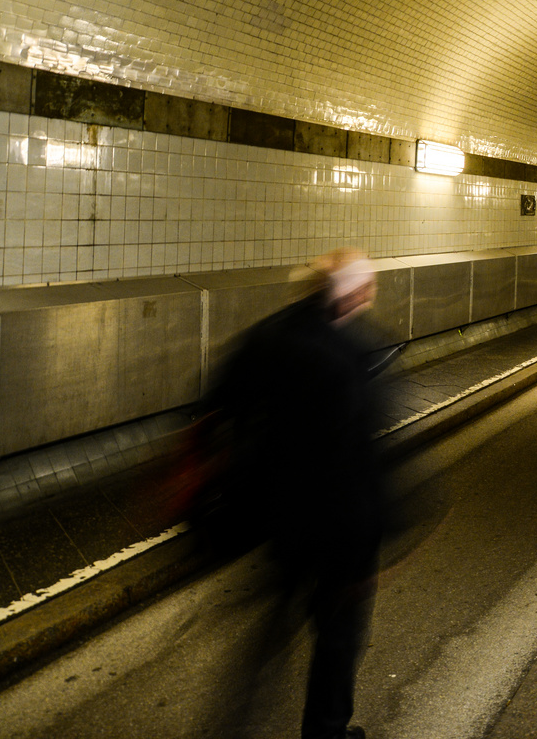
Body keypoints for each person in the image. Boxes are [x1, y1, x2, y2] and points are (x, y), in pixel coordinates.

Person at [195, 248, 390, 739]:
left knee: (273, 628)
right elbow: (360, 458)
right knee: (338, 639)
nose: (368, 298)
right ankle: (325, 732)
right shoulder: (351, 356)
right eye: (365, 289)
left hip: (276, 516)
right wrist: (372, 544)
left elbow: (216, 406)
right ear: (351, 293)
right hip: (337, 528)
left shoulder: (269, 335)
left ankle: (232, 724)